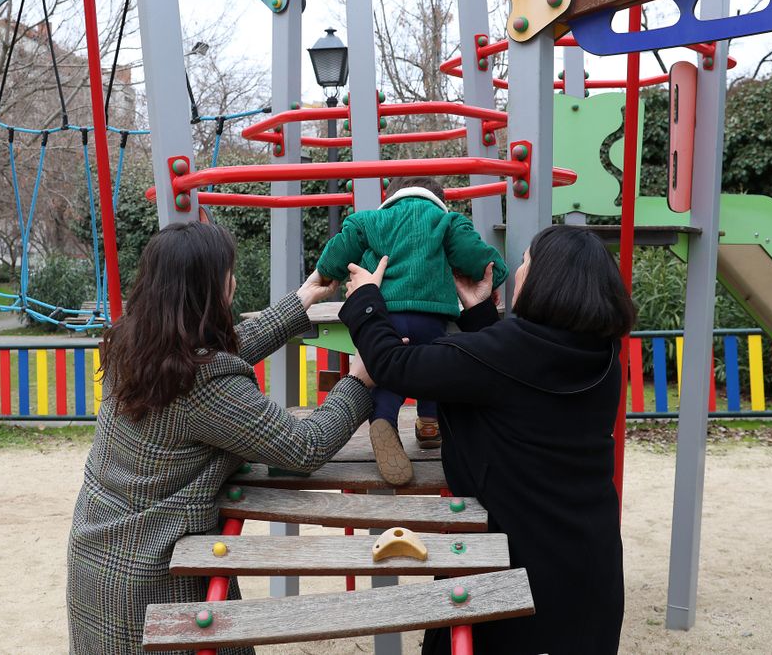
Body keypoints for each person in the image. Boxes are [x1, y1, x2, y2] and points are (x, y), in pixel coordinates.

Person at [67, 222, 375, 654]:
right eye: (227, 271)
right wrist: (358, 382)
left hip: (98, 550)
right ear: (209, 289)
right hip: (151, 572)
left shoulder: (132, 340)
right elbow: (305, 445)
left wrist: (302, 299)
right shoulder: (207, 385)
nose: (234, 279)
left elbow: (223, 351)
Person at [339, 225, 634, 654]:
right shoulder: (606, 360)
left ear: (548, 280)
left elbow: (394, 364)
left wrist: (366, 299)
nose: (518, 273)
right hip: (592, 563)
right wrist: (479, 313)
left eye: (527, 262)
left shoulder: (507, 353)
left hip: (515, 567)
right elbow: (512, 375)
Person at [316, 176, 507, 486]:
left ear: (390, 198)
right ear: (437, 200)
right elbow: (476, 255)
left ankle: (384, 420)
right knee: (434, 367)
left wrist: (327, 271)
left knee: (388, 370)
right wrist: (493, 276)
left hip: (383, 315)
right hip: (431, 319)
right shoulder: (446, 221)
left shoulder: (370, 220)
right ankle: (430, 421)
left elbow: (341, 248)